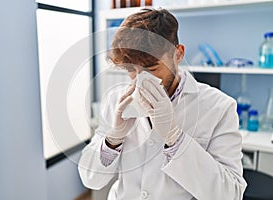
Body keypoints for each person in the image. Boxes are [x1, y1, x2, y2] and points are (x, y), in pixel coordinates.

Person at [78, 8, 247, 200]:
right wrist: (112, 140)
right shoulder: (116, 101)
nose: (140, 79)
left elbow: (231, 194)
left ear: (178, 54)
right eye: (130, 69)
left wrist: (175, 140)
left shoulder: (219, 107)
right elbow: (90, 179)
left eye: (151, 68)